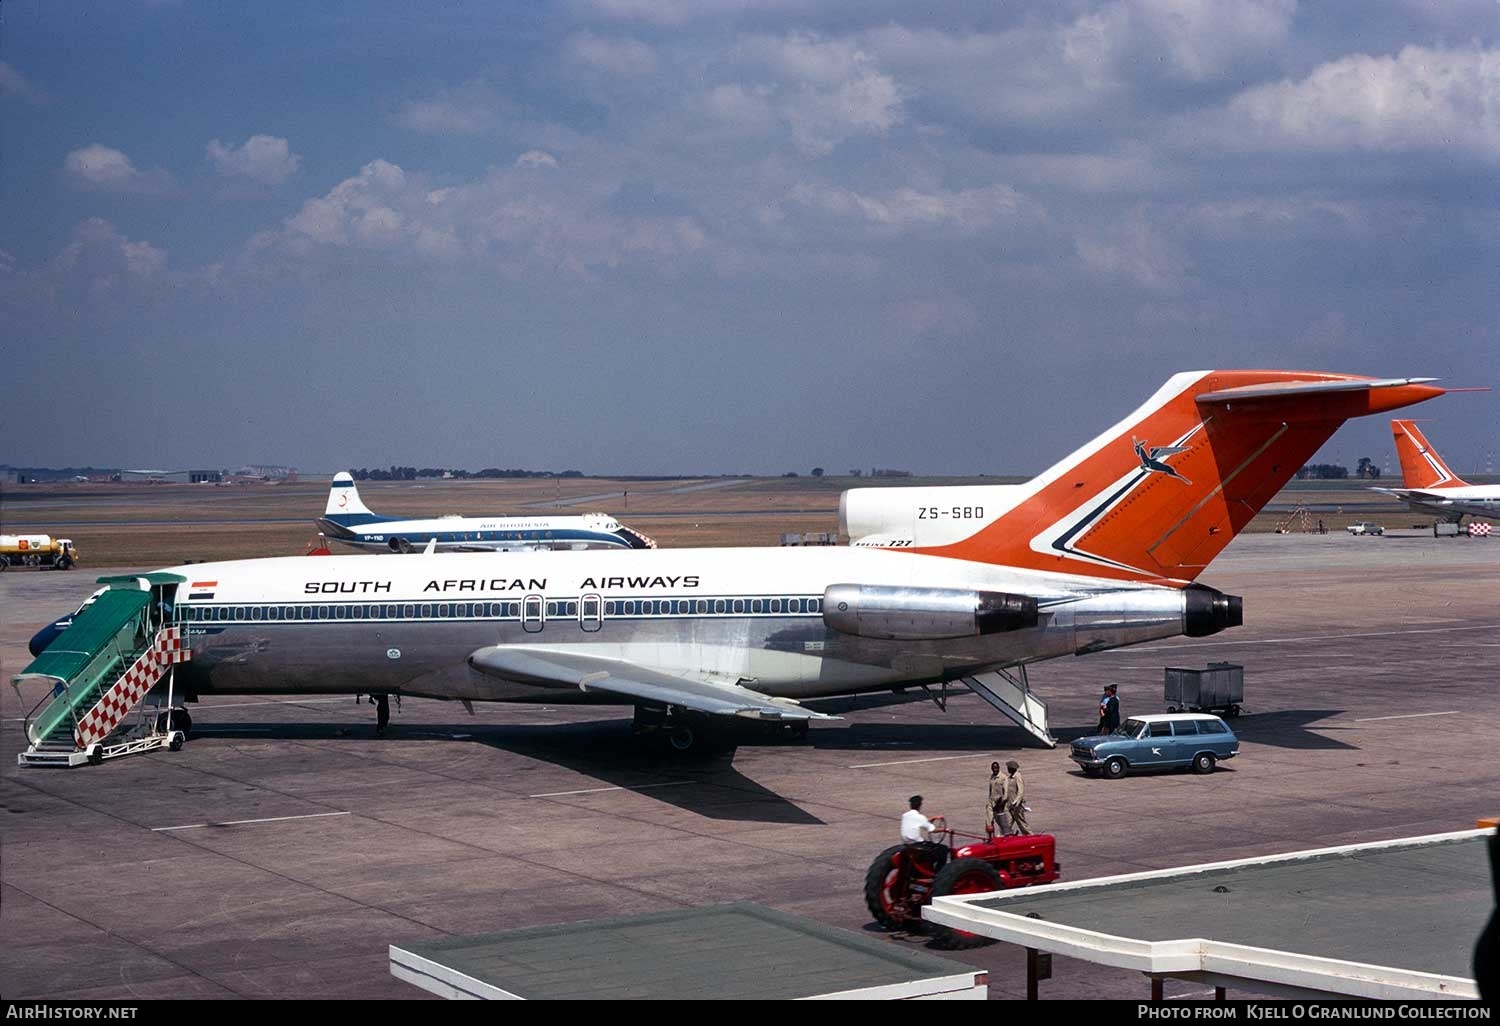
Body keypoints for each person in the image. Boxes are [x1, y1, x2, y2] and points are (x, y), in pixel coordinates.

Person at [900, 795, 949, 865]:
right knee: (943, 849)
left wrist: (933, 818)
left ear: (910, 805)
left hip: (907, 843)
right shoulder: (920, 817)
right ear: (920, 805)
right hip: (918, 843)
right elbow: (933, 830)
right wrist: (946, 829)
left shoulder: (905, 815)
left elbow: (918, 821)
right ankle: (939, 871)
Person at [1003, 760, 1032, 835]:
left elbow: (1020, 791)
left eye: (1008, 768)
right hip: (1009, 805)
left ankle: (1030, 837)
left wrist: (1015, 802)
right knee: (1007, 824)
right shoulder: (1009, 777)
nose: (1007, 769)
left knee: (1022, 823)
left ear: (1012, 768)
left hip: (1016, 806)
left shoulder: (1017, 776)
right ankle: (1003, 837)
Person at [986, 762, 1011, 837]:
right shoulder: (992, 777)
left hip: (999, 803)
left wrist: (1001, 803)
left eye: (996, 768)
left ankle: (1006, 835)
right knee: (989, 821)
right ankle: (989, 837)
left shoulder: (1003, 777)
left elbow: (1006, 793)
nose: (995, 770)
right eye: (993, 768)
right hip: (991, 802)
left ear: (999, 768)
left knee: (1001, 821)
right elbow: (990, 790)